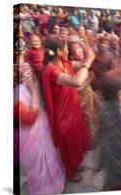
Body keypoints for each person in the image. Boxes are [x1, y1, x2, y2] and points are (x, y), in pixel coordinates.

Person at [13, 36, 65, 195]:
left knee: (47, 156)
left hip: (38, 129)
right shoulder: (18, 95)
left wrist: (32, 84)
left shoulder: (24, 70)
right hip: (28, 135)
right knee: (38, 164)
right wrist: (34, 91)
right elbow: (28, 118)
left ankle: (53, 183)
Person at [42, 37, 95, 182]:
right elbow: (76, 81)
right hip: (63, 115)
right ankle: (71, 172)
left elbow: (83, 63)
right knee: (69, 145)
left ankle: (76, 165)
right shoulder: (52, 70)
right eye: (66, 48)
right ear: (59, 51)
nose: (68, 51)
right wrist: (88, 63)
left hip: (73, 109)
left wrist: (84, 46)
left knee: (77, 140)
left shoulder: (64, 63)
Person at [68, 41, 101, 147]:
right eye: (77, 50)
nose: (81, 51)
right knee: (85, 122)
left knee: (92, 119)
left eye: (80, 49)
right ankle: (86, 143)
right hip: (80, 101)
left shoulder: (80, 62)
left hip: (88, 97)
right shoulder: (72, 64)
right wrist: (89, 80)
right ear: (72, 55)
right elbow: (76, 86)